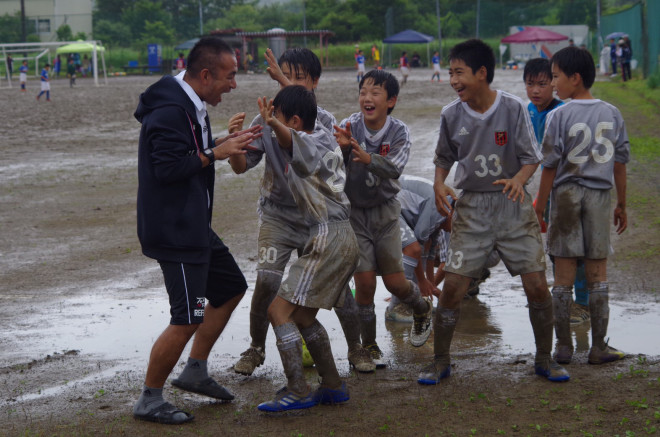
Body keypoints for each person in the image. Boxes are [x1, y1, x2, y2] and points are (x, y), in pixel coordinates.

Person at [420, 39, 569, 385]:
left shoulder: (513, 108)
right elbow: (443, 160)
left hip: (512, 207)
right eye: (451, 73)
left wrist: (519, 179)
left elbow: (533, 157)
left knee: (536, 285)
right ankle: (440, 360)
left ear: (481, 73)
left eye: (459, 73)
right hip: (472, 207)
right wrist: (439, 184)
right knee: (455, 286)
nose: (453, 80)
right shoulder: (450, 114)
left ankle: (545, 359)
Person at [132, 36, 262, 425]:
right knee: (187, 315)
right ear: (205, 75)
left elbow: (188, 152)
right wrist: (213, 153)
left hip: (193, 225)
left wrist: (222, 142)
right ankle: (150, 398)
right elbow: (167, 169)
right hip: (174, 231)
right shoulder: (171, 110)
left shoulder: (190, 104)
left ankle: (195, 369)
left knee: (230, 288)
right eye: (230, 76)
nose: (234, 84)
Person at [229, 47, 376, 376]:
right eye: (283, 75)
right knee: (267, 281)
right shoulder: (267, 116)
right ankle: (255, 347)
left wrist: (282, 86)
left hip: (319, 222)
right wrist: (234, 144)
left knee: (338, 290)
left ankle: (356, 347)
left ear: (315, 82)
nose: (288, 83)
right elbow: (241, 165)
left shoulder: (321, 122)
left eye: (297, 78)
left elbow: (307, 139)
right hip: (277, 215)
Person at [253, 85, 358, 412]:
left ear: (295, 121)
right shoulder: (324, 135)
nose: (273, 123)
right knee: (300, 315)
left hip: (329, 237)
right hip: (338, 237)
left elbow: (290, 139)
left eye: (280, 117)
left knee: (277, 311)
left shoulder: (310, 140)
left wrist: (273, 123)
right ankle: (332, 386)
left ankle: (298, 389)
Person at [534, 46, 630, 366]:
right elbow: (619, 163)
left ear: (575, 79)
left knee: (562, 274)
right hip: (600, 197)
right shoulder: (612, 112)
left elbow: (549, 165)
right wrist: (622, 204)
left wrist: (539, 203)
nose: (553, 83)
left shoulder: (558, 114)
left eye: (557, 77)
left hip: (565, 196)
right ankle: (598, 346)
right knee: (597, 273)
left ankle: (563, 347)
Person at [333, 69, 434, 368]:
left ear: (390, 100)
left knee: (395, 283)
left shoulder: (399, 131)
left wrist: (367, 158)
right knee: (363, 283)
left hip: (388, 212)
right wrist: (340, 148)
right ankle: (370, 346)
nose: (367, 97)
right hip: (355, 214)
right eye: (364, 91)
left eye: (375, 93)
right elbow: (331, 164)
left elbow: (394, 168)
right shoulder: (347, 125)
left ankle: (420, 308)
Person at [524, 58, 590, 325]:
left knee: (577, 246)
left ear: (554, 83)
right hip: (550, 186)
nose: (536, 90)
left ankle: (583, 302)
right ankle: (564, 297)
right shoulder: (528, 110)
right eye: (530, 84)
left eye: (543, 83)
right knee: (554, 244)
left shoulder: (563, 111)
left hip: (572, 185)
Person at [385, 175, 450, 323]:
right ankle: (395, 307)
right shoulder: (438, 210)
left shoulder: (443, 214)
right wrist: (422, 281)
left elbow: (430, 254)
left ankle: (415, 300)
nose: (453, 231)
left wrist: (430, 287)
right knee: (412, 249)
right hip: (387, 201)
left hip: (404, 205)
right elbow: (417, 250)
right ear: (452, 214)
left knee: (419, 251)